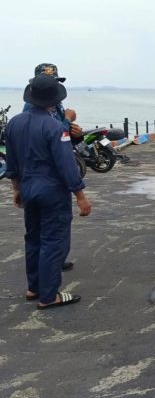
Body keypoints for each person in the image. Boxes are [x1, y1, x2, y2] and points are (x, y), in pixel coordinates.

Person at [5, 74, 92, 309]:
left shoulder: (14, 123)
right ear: (54, 100)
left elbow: (11, 162)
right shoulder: (55, 127)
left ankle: (34, 288)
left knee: (33, 238)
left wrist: (16, 189)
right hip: (52, 191)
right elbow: (66, 164)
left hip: (28, 188)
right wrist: (80, 195)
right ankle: (49, 295)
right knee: (54, 242)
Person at [23, 63, 82, 272]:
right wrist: (67, 121)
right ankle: (48, 275)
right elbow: (51, 136)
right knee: (50, 231)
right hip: (49, 178)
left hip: (43, 178)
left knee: (45, 232)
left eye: (55, 82)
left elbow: (62, 136)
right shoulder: (33, 108)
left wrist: (75, 133)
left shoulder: (55, 105)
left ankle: (50, 264)